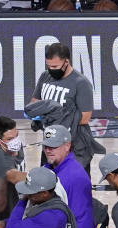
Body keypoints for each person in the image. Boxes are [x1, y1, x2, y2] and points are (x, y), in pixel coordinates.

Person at [30, 43, 95, 173]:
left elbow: (85, 117)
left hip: (74, 146)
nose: (51, 69)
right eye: (48, 66)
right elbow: (34, 102)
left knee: (74, 184)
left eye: (55, 66)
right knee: (47, 186)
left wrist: (54, 118)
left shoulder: (81, 83)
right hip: (50, 142)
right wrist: (37, 115)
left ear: (66, 62)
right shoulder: (45, 76)